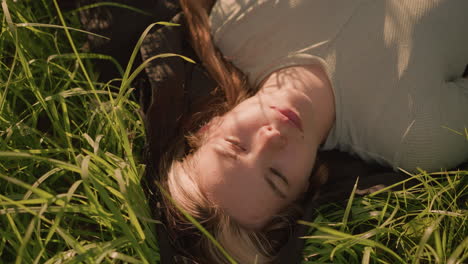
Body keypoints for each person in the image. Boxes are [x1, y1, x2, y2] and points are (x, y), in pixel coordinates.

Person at [158, 0, 468, 263]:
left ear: (209, 126)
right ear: (304, 189)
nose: (271, 138)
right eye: (276, 176)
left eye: (237, 146)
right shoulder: (415, 136)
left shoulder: (240, 21)